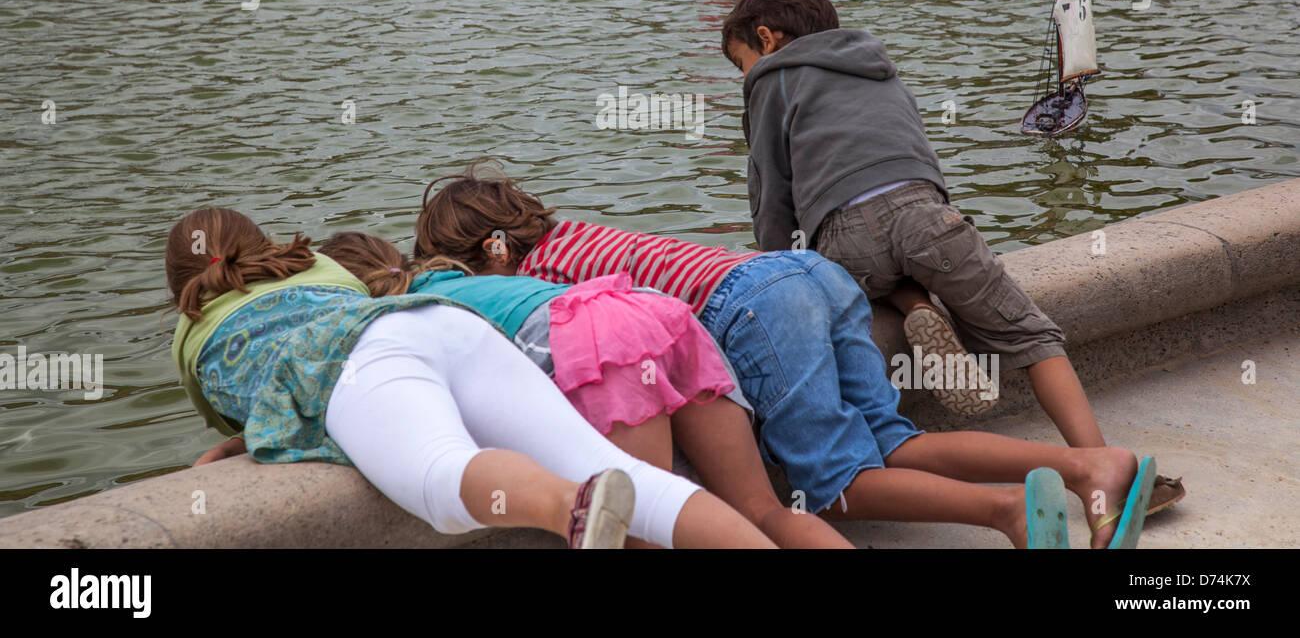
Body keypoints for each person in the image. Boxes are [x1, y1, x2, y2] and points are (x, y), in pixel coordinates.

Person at [414, 166, 1157, 547]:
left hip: (755, 306)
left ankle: (1007, 515)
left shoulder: (538, 277)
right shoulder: (577, 231)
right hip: (805, 276)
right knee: (894, 445)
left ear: (491, 250)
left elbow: (593, 349)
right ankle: (1088, 466)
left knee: (837, 486)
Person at [718, 0, 1184, 515]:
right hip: (928, 216)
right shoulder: (878, 67)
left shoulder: (772, 80)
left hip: (845, 236)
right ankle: (1105, 469)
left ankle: (911, 304)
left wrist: (780, 271)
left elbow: (773, 195)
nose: (744, 76)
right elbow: (921, 161)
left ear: (767, 38)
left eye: (740, 61)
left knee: (839, 273)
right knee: (1032, 335)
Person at [167, 207, 775, 549]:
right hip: (448, 326)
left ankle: (571, 506)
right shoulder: (316, 263)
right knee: (639, 482)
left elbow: (273, 414)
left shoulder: (193, 335)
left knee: (441, 476)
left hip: (358, 363)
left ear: (181, 293)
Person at [317, 231, 852, 549]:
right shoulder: (468, 280)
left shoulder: (405, 319)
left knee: (643, 528)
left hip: (601, 343)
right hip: (652, 312)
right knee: (759, 508)